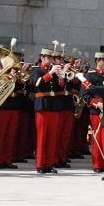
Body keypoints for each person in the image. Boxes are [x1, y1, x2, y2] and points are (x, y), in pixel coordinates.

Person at [31, 45, 66, 174]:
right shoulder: (37, 71)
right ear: (42, 57)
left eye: (52, 57)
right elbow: (37, 83)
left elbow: (60, 87)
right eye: (49, 57)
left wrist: (61, 76)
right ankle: (40, 164)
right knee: (42, 137)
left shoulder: (54, 71)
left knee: (52, 137)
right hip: (42, 105)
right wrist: (50, 73)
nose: (51, 60)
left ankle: (49, 164)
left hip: (54, 106)